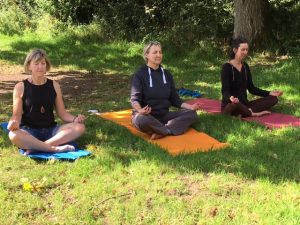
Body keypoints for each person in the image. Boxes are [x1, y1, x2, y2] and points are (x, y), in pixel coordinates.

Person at [7, 49, 86, 154]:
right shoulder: (20, 87)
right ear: (29, 66)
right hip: (29, 131)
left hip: (51, 130)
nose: (40, 67)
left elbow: (62, 114)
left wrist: (75, 119)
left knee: (79, 127)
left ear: (46, 65)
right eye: (36, 64)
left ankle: (36, 147)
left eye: (43, 63)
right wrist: (13, 123)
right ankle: (54, 148)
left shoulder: (54, 85)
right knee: (13, 135)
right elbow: (16, 116)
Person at [130, 41, 201, 140]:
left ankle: (162, 131)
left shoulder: (167, 74)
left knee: (191, 114)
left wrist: (191, 107)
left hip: (164, 116)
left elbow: (175, 99)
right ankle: (166, 130)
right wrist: (140, 110)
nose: (158, 55)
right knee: (140, 120)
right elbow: (134, 99)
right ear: (147, 55)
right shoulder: (139, 75)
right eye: (155, 52)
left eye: (160, 52)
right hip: (146, 116)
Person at [221, 37, 283, 117]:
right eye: (242, 50)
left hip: (245, 104)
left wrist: (269, 93)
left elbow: (252, 88)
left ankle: (248, 111)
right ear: (235, 50)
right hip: (231, 105)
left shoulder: (245, 66)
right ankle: (250, 112)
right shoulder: (227, 67)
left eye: (247, 49)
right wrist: (230, 98)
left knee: (273, 99)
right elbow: (225, 91)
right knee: (235, 104)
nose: (245, 52)